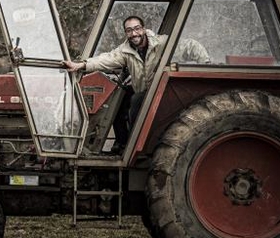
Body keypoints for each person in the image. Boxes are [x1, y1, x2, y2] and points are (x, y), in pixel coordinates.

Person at [62, 15, 208, 153]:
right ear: (126, 33)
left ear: (143, 29)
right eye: (129, 30)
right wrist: (81, 65)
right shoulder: (125, 51)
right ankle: (122, 142)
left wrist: (206, 64)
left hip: (160, 93)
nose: (134, 33)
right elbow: (106, 59)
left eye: (137, 28)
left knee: (136, 100)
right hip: (143, 89)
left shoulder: (161, 43)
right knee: (117, 100)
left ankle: (136, 145)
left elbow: (190, 45)